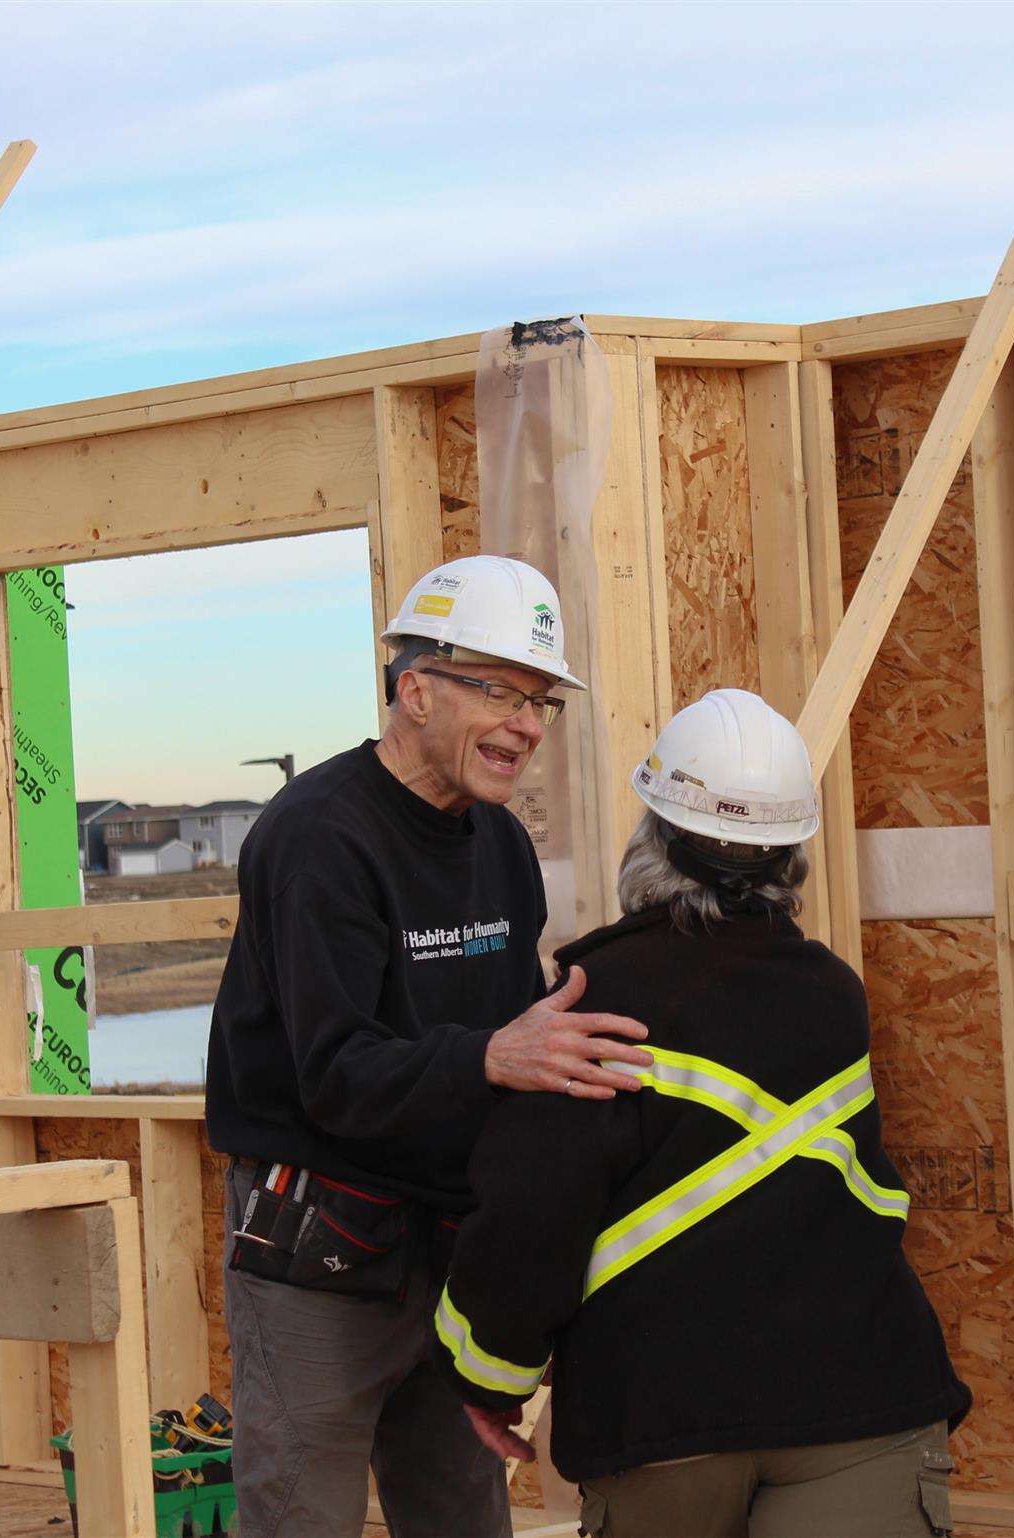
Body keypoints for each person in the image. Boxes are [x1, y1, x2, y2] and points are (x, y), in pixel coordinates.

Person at [433, 689, 972, 1538]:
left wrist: (490, 1376)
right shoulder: (835, 996)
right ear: (792, 853)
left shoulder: (592, 1002)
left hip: (662, 1416)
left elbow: (533, 1212)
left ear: (652, 836)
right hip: (863, 1401)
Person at [204, 554, 654, 1538]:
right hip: (321, 1253)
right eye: (500, 689)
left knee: (462, 1515)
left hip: (451, 1255)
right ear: (416, 690)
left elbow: (515, 1036)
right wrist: (493, 1055)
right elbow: (334, 1075)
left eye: (541, 700)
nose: (528, 723)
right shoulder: (319, 836)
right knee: (300, 1517)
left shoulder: (496, 841)